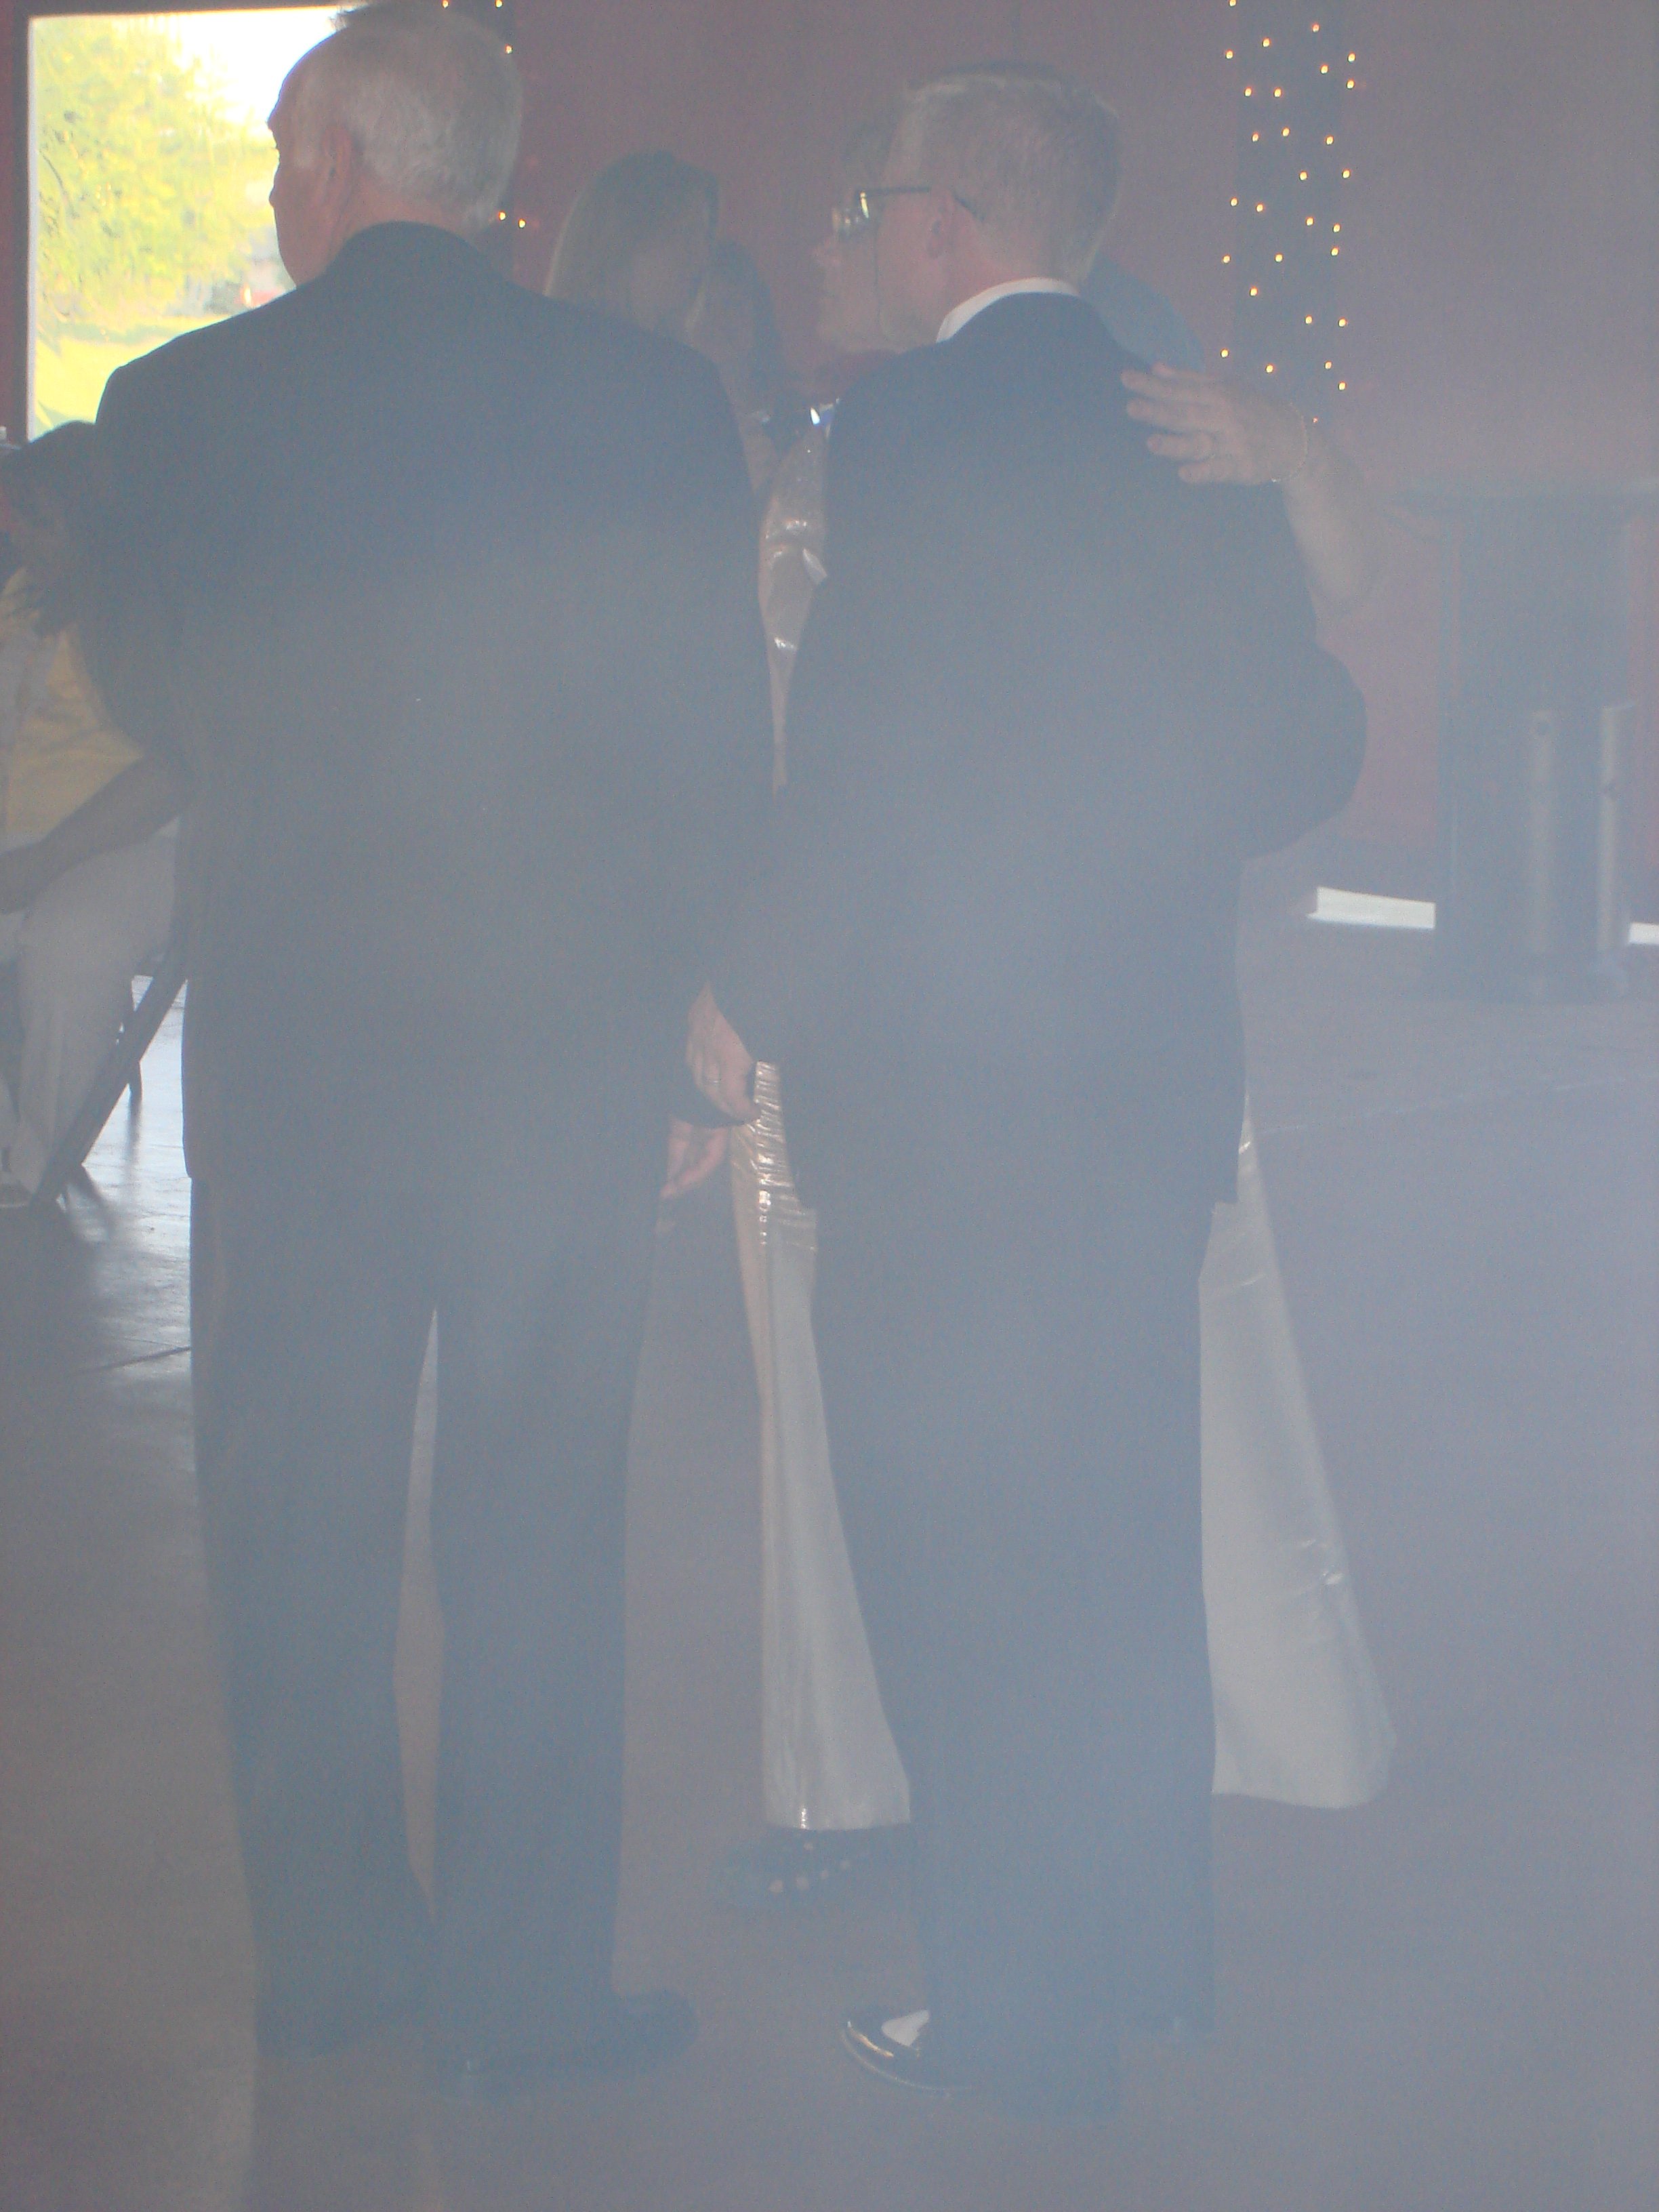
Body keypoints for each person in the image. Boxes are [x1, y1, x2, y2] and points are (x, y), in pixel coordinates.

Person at [87, 1, 769, 2097]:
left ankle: (333, 1965)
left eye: (284, 154)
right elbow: (707, 735)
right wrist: (701, 1020)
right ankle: (526, 1995)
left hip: (301, 1055)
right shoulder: (645, 401)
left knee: (292, 1526)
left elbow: (152, 691)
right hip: (560, 1056)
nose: (279, 188)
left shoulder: (179, 403)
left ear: (337, 167)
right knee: (540, 1531)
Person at [689, 64, 1366, 2116]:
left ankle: (1013, 2011)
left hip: (948, 1107)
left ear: (942, 225)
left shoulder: (907, 430)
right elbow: (1299, 759)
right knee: (1115, 1537)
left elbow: (873, 761)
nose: (846, 240)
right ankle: (1143, 1954)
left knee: (962, 1565)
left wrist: (741, 998)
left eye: (863, 208)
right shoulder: (1191, 432)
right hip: (1139, 1089)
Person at [0, 424, 178, 1204]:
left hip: (131, 839)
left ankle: (37, 1163)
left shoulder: (150, 614)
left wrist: (42, 864)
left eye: (40, 521)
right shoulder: (20, 596)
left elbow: (175, 769)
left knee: (67, 943)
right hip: (23, 838)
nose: (19, 536)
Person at [545, 148, 718, 341]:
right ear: (623, 237)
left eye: (704, 238)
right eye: (685, 232)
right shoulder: (550, 345)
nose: (701, 256)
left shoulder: (673, 358)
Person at [687, 237, 811, 499]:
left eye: (733, 304)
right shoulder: (676, 426)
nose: (720, 321)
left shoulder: (791, 412)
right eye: (708, 307)